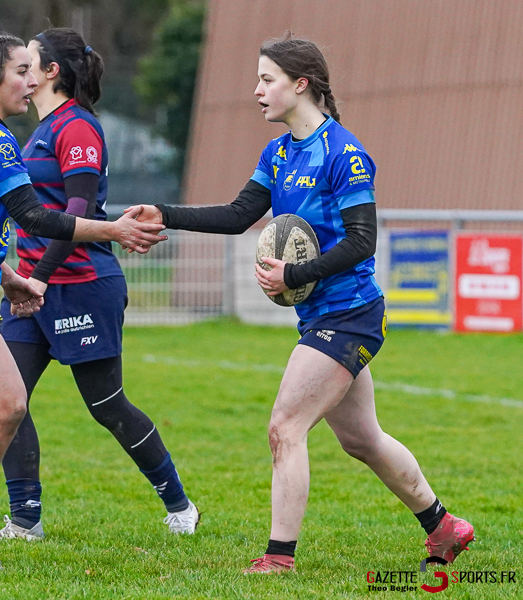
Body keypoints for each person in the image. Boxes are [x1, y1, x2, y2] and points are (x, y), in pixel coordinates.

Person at [127, 32, 474, 573]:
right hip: (323, 315)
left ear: (300, 85)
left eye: (267, 80)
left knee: (284, 427)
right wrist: (165, 214)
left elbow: (364, 241)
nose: (257, 91)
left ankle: (279, 558)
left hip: (351, 314)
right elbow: (240, 214)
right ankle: (445, 527)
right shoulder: (279, 152)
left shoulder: (346, 155)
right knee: (363, 439)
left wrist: (295, 273)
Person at [0, 32, 167, 569]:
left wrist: (7, 278)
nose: (31, 81)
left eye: (32, 69)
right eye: (20, 71)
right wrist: (113, 231)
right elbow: (39, 218)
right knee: (10, 404)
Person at [0, 28, 199, 543]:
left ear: (51, 71)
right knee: (7, 399)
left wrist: (37, 277)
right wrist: (25, 279)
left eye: (30, 61)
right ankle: (25, 519)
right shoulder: (35, 131)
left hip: (82, 286)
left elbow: (78, 212)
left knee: (106, 405)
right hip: (34, 290)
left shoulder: (76, 127)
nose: (22, 68)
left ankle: (180, 505)